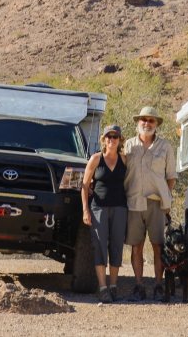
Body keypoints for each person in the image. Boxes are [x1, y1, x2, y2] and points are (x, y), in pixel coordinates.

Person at [123, 105, 176, 301]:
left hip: (156, 203)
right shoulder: (128, 145)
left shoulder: (166, 147)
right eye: (143, 120)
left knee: (158, 246)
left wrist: (166, 195)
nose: (147, 123)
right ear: (138, 123)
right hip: (133, 202)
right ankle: (138, 285)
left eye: (151, 120)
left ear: (157, 125)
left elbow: (171, 177)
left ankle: (159, 285)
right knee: (136, 246)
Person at [81, 124, 128, 303]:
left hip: (120, 208)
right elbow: (85, 186)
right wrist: (85, 210)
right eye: (109, 137)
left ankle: (113, 286)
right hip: (98, 208)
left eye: (115, 137)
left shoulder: (125, 160)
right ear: (103, 139)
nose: (112, 140)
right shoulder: (95, 159)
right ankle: (102, 288)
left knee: (116, 245)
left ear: (120, 140)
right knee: (100, 245)